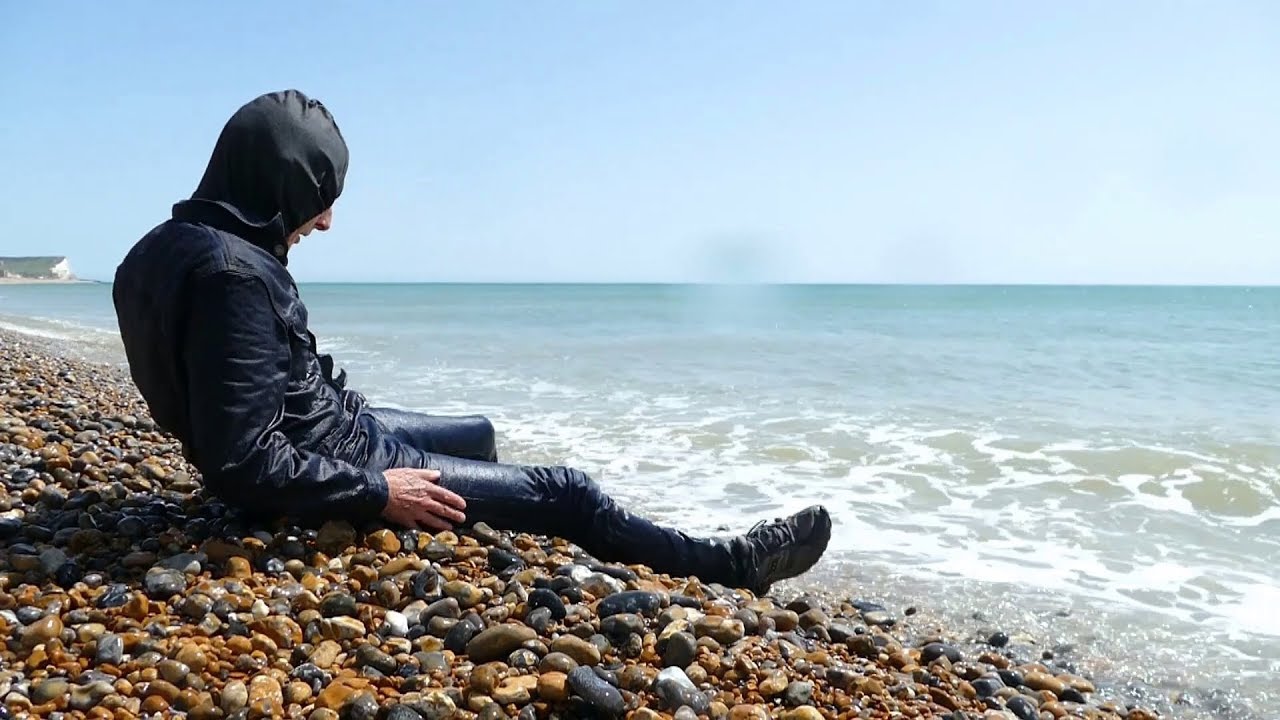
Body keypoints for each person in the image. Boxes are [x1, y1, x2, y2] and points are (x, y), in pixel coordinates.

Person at [111, 89, 831, 596]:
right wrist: (378, 494)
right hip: (333, 466)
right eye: (317, 194)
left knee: (480, 433)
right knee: (570, 490)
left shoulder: (166, 249)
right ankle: (729, 562)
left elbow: (229, 409)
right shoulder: (233, 274)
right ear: (278, 180)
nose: (324, 222)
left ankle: (521, 514)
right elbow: (243, 460)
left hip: (335, 433)